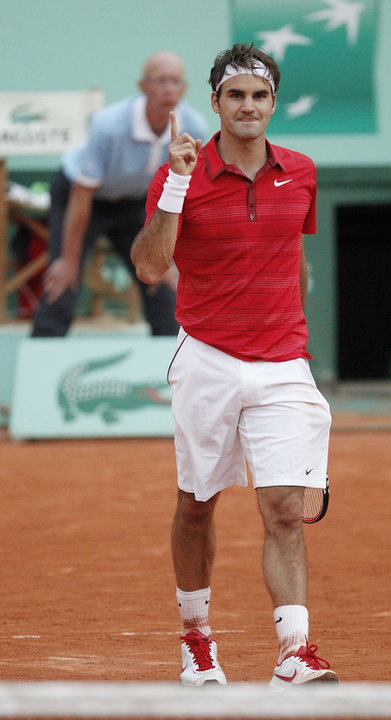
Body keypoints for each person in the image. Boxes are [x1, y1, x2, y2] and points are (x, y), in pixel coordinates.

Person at [131, 44, 338, 688]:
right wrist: (178, 181)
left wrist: (287, 335)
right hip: (207, 361)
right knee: (196, 505)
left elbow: (292, 262)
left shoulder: (301, 171)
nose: (248, 106)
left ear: (272, 103)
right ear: (217, 104)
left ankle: (294, 653)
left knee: (282, 508)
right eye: (235, 95)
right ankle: (197, 641)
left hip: (282, 364)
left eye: (260, 95)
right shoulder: (179, 175)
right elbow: (148, 264)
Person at [31, 51, 208, 337]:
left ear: (184, 88)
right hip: (82, 196)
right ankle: (38, 363)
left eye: (175, 81)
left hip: (135, 202)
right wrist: (68, 260)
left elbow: (186, 193)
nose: (168, 89)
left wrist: (173, 259)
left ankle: (172, 371)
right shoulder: (109, 125)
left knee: (161, 280)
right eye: (161, 81)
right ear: (143, 86)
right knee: (63, 280)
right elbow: (82, 193)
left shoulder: (194, 127)